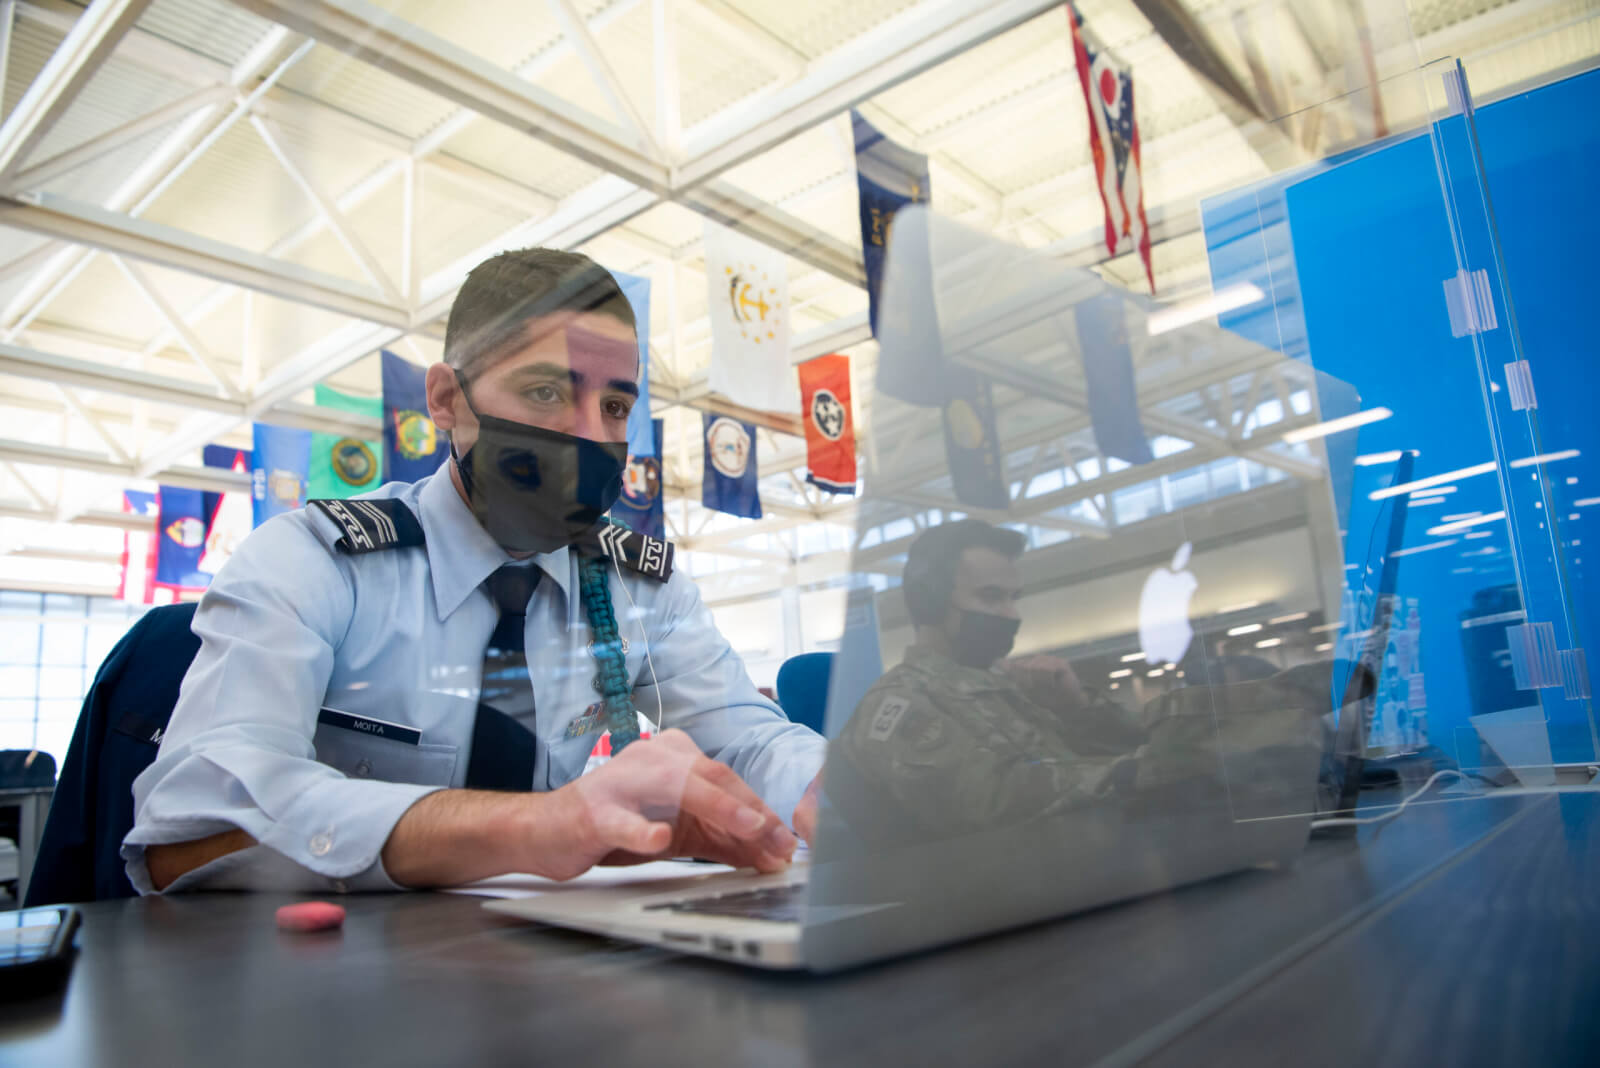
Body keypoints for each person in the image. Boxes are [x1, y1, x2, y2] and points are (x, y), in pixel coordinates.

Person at [125, 249, 825, 894]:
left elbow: (751, 739)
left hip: (559, 966)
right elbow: (185, 833)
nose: (589, 433)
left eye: (614, 406)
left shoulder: (637, 588)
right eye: (547, 393)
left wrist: (841, 792)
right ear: (446, 400)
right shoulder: (314, 562)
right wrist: (538, 827)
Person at [825, 520, 1141, 841]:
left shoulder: (1013, 687)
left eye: (1013, 597)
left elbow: (1105, 751)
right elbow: (992, 801)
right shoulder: (899, 701)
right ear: (930, 601)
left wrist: (1076, 708)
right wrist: (1134, 773)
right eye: (991, 597)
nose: (1012, 614)